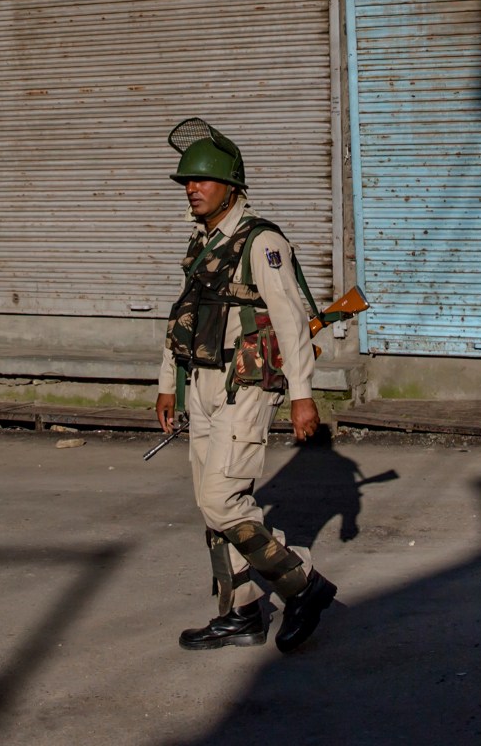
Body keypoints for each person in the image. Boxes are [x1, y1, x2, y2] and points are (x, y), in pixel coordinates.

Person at [154, 118, 338, 651]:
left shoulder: (263, 242)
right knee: (212, 510)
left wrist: (303, 396)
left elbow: (291, 322)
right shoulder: (203, 241)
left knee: (221, 502)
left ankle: (304, 586)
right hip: (202, 388)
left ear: (231, 187)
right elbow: (182, 316)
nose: (192, 188)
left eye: (202, 180)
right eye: (187, 180)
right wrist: (169, 383)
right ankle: (242, 613)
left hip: (246, 388)